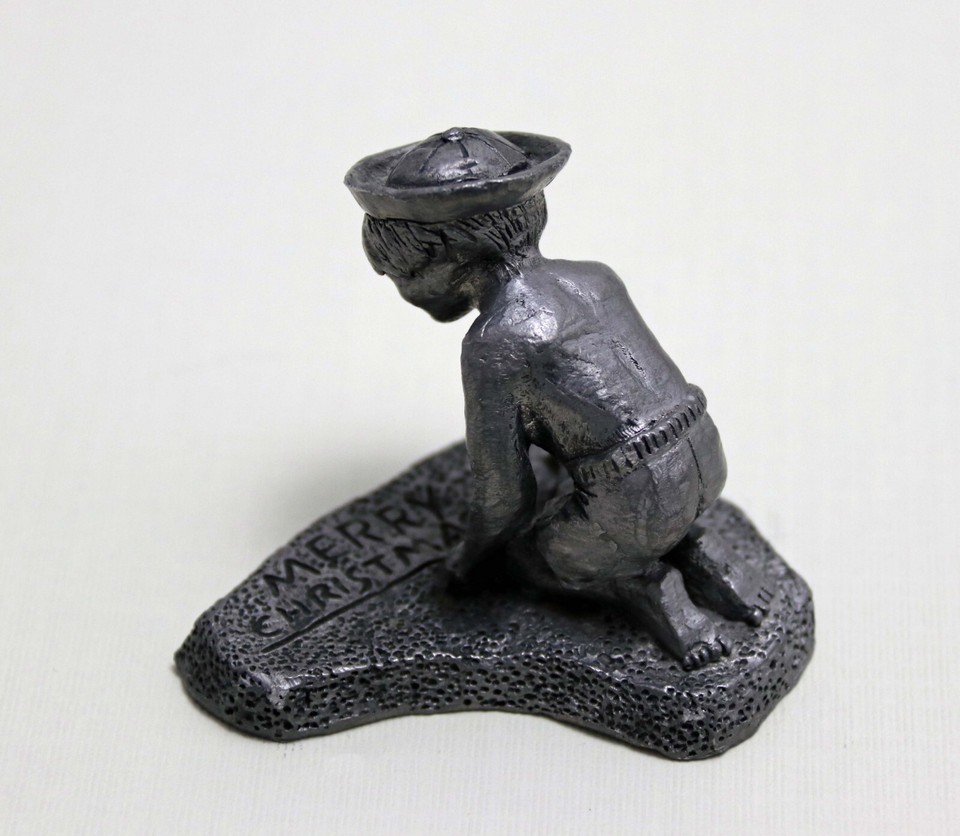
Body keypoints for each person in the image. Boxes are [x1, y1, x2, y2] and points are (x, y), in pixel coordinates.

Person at [346, 128, 765, 669]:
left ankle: (656, 590)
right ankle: (699, 549)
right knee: (648, 515)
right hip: (705, 451)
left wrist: (470, 558)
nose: (400, 290)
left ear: (443, 257)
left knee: (534, 558)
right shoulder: (597, 279)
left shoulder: (496, 341)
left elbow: (505, 496)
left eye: (397, 273)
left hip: (633, 498)